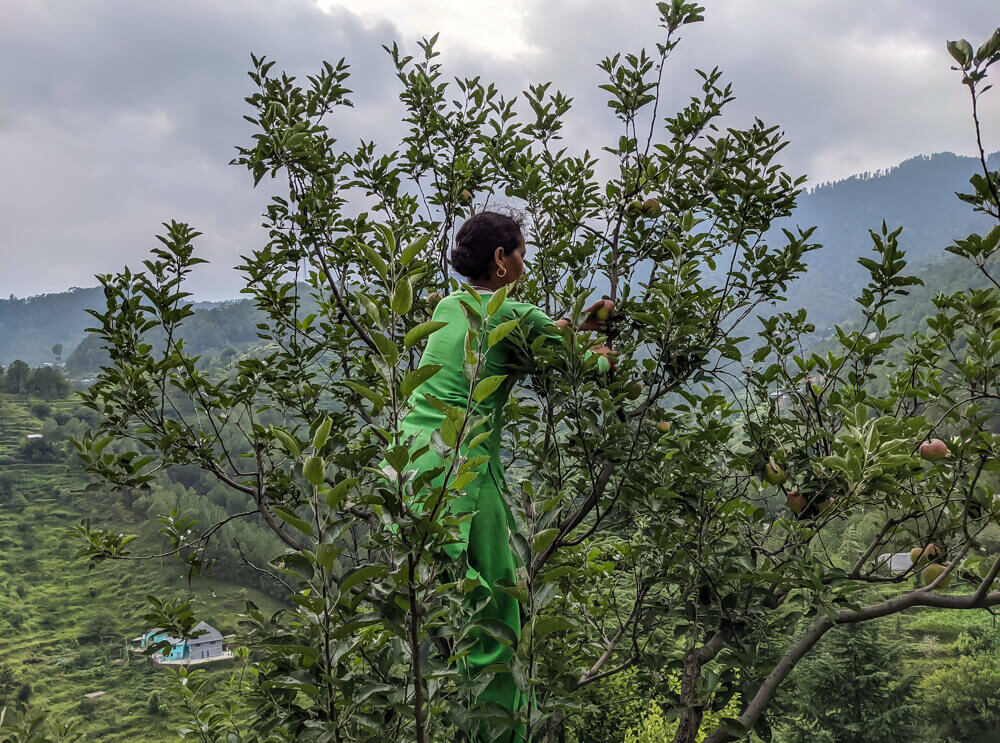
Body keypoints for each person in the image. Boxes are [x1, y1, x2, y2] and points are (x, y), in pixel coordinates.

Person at [381, 210, 615, 741]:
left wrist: (573, 328)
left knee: (450, 610)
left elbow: (535, 336)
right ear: (500, 259)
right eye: (521, 255)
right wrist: (604, 351)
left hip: (408, 467)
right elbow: (579, 364)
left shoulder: (449, 304)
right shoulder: (512, 311)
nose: (525, 264)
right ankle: (504, 733)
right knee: (497, 612)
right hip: (460, 469)